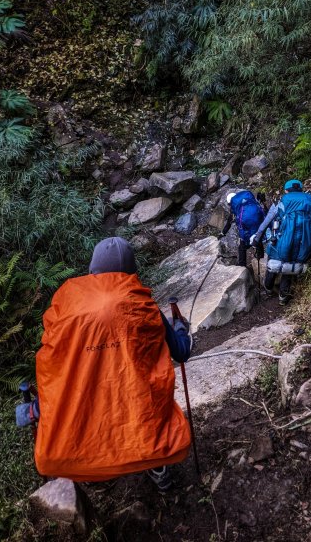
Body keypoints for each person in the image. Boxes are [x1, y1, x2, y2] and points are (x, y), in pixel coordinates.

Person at [34, 237, 192, 491]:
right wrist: (181, 328)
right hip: (135, 405)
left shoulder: (66, 303)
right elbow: (182, 352)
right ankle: (156, 466)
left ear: (92, 269)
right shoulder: (142, 305)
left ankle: (91, 470)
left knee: (91, 397)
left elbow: (51, 356)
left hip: (85, 408)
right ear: (131, 273)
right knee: (139, 394)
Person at [251, 180, 311, 305]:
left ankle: (268, 289)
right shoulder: (309, 200)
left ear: (286, 190)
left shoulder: (281, 202)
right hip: (303, 243)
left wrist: (257, 239)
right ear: (300, 189)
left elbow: (266, 222)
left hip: (282, 242)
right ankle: (283, 297)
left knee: (274, 263)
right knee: (289, 268)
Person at [218, 190, 266, 267]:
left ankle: (242, 266)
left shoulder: (236, 210)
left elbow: (229, 223)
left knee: (242, 247)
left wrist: (223, 233)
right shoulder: (251, 202)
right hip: (257, 226)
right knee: (258, 241)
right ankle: (261, 259)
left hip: (246, 230)